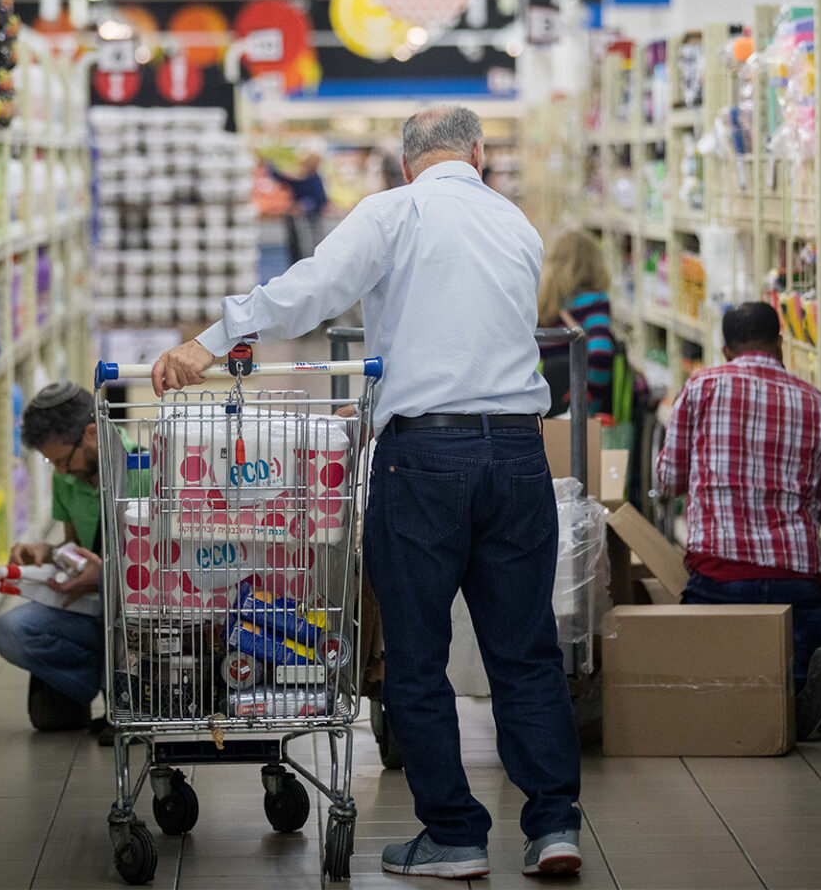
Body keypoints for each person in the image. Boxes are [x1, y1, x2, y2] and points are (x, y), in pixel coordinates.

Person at [149, 106, 583, 880]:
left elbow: (310, 290)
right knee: (525, 652)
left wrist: (211, 339)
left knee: (417, 656)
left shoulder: (395, 210)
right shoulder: (516, 222)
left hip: (425, 457)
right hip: (520, 452)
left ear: (407, 161)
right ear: (479, 154)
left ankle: (455, 836)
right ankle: (554, 828)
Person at [655, 302, 821, 739]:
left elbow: (669, 480)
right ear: (780, 344)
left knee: (713, 676)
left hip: (718, 577)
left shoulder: (702, 386)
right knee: (804, 663)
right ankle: (807, 686)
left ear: (726, 350)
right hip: (797, 578)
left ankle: (733, 688)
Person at [0, 382, 149, 735]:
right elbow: (75, 545)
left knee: (121, 606)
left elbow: (167, 571)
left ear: (92, 434)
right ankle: (102, 679)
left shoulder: (144, 470)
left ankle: (128, 693)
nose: (59, 471)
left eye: (62, 460)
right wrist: (44, 554)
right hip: (91, 611)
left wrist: (108, 574)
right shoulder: (68, 481)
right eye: (51, 462)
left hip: (139, 620)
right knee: (9, 631)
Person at [537, 230, 616, 416]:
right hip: (575, 416)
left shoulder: (539, 303)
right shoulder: (594, 302)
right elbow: (600, 352)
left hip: (539, 412)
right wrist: (589, 401)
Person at [266, 150, 328, 265]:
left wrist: (306, 206)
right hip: (300, 219)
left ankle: (311, 264)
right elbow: (282, 178)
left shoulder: (313, 180)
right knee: (300, 245)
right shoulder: (304, 179)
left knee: (311, 243)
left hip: (311, 218)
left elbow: (320, 200)